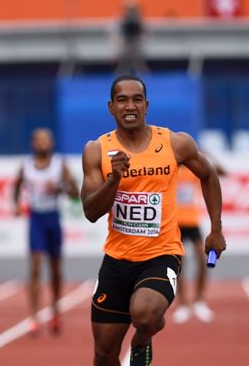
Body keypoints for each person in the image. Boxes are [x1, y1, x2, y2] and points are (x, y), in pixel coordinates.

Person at [80, 75, 226, 366]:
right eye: (122, 100)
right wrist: (115, 180)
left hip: (161, 255)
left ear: (146, 105)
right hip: (117, 260)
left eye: (136, 99)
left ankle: (142, 341)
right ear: (111, 107)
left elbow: (209, 175)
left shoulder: (175, 143)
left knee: (145, 315)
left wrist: (216, 229)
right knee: (104, 354)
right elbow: (91, 211)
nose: (129, 105)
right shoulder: (96, 150)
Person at [12, 127, 78, 336]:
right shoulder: (26, 166)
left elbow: (75, 194)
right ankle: (33, 316)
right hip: (36, 220)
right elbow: (16, 187)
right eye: (38, 140)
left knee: (56, 269)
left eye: (46, 139)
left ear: (52, 143)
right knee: (35, 267)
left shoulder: (60, 165)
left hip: (53, 218)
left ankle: (56, 310)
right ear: (33, 144)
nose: (42, 143)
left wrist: (59, 188)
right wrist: (15, 204)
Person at [170, 162, 225, 324]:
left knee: (202, 259)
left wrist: (207, 155)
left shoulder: (192, 170)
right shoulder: (170, 170)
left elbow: (220, 172)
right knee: (179, 263)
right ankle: (183, 304)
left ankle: (199, 300)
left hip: (192, 221)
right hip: (175, 223)